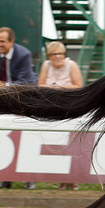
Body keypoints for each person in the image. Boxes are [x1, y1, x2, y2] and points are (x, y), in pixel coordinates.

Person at [0, 27, 38, 190]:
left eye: (2, 41)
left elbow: (26, 82)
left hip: (25, 100)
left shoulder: (24, 54)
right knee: (3, 137)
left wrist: (4, 85)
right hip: (3, 100)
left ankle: (28, 178)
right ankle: (5, 179)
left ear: (11, 42)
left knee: (25, 139)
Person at [38, 41, 83, 190]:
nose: (58, 57)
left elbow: (78, 86)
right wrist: (55, 88)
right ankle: (61, 178)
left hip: (69, 106)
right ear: (49, 56)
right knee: (56, 143)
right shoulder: (46, 65)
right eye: (54, 54)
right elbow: (40, 85)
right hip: (51, 107)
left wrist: (57, 87)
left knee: (71, 142)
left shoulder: (72, 65)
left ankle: (73, 179)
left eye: (60, 54)